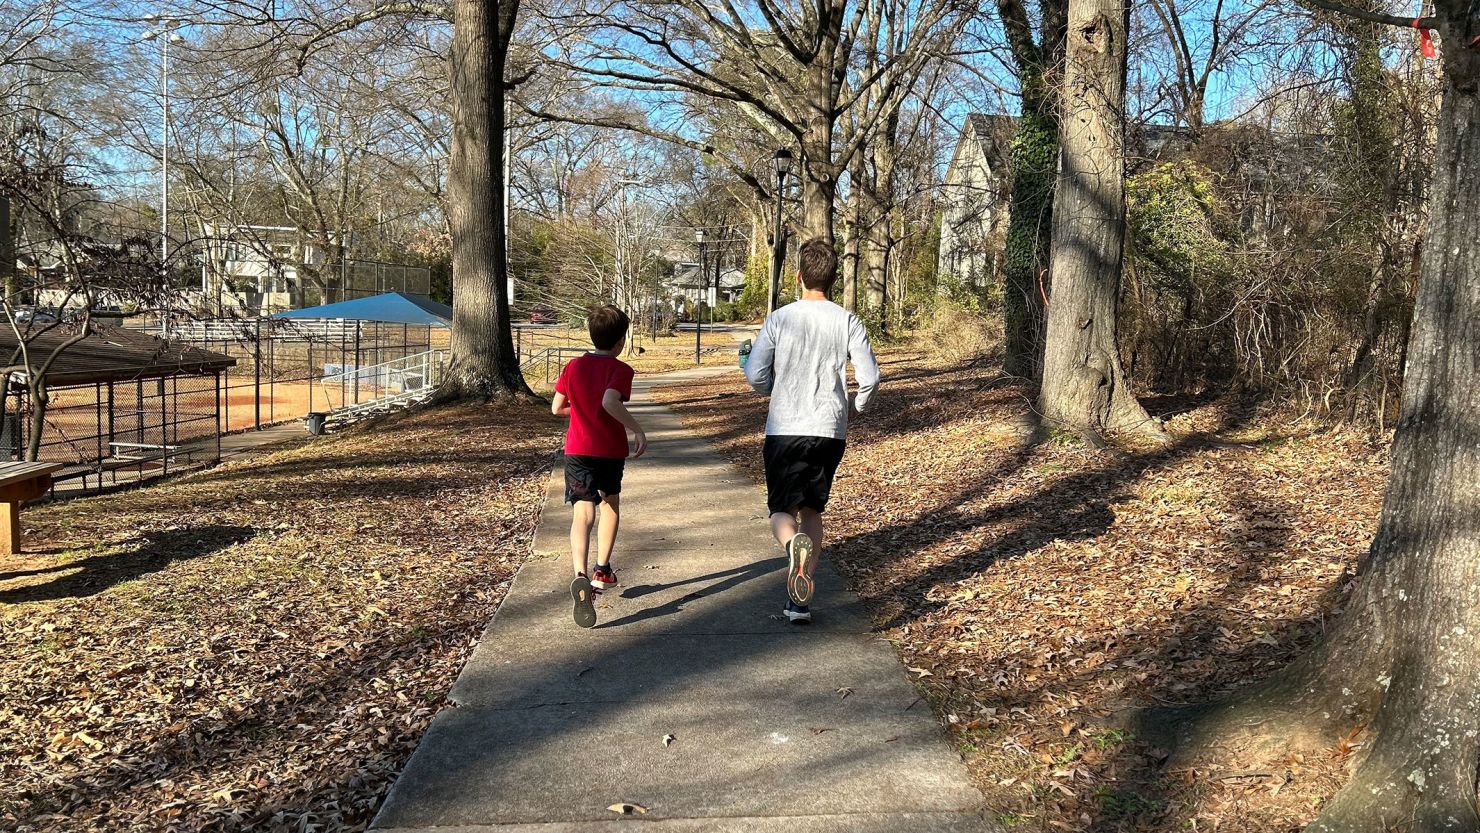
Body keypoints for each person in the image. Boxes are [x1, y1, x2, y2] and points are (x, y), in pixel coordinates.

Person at [743, 239, 880, 623]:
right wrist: (858, 405)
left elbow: (755, 374)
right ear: (833, 279)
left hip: (785, 426)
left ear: (799, 276)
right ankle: (798, 602)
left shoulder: (779, 319)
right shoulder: (848, 321)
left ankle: (791, 547)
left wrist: (771, 387)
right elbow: (869, 378)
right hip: (828, 427)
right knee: (812, 510)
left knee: (781, 510)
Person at [551, 305, 647, 628]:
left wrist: (579, 411)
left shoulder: (573, 367)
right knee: (610, 506)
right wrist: (636, 428)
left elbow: (556, 408)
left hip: (578, 450)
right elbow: (609, 401)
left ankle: (579, 573)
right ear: (620, 342)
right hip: (608, 451)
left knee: (583, 513)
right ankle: (601, 570)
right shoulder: (621, 370)